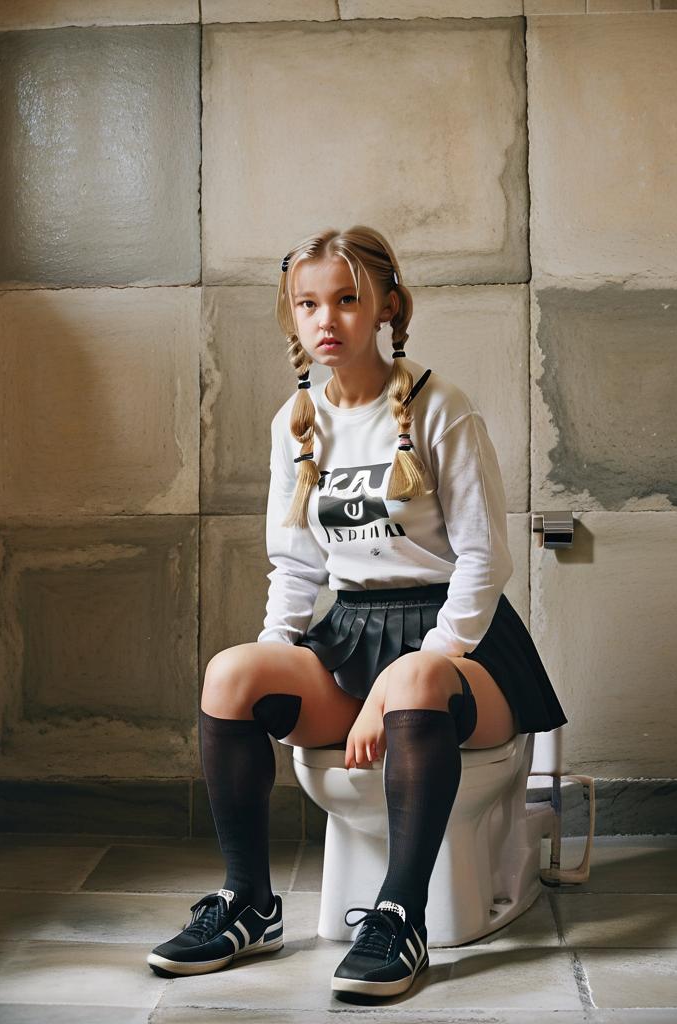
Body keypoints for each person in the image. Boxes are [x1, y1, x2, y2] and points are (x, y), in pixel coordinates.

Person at [147, 226, 567, 999]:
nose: (326, 320)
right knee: (230, 674)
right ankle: (249, 902)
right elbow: (297, 565)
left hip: (463, 648)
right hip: (353, 637)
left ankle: (400, 916)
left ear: (386, 307)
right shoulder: (295, 420)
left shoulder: (443, 407)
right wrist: (277, 660)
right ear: (292, 317)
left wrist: (414, 669)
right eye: (308, 304)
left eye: (346, 300)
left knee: (412, 685)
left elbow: (484, 563)